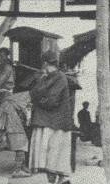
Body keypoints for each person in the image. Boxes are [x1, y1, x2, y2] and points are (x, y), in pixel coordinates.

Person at [29, 50, 73, 184]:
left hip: (57, 122)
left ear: (45, 63)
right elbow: (34, 93)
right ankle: (56, 179)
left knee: (54, 155)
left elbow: (51, 101)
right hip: (49, 120)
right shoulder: (46, 77)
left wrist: (38, 101)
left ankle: (61, 179)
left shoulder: (60, 77)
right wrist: (39, 96)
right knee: (51, 157)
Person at [0, 91, 32, 178]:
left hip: (11, 119)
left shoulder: (14, 99)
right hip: (13, 121)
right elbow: (27, 112)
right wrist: (28, 121)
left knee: (21, 144)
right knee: (21, 145)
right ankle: (17, 170)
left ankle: (22, 166)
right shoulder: (27, 98)